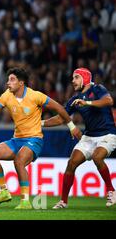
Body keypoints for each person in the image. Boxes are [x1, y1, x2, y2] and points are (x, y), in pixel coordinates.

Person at [0, 67, 82, 209]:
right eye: (8, 80)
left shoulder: (36, 96)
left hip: (34, 139)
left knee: (19, 161)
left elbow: (60, 108)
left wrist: (72, 126)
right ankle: (4, 192)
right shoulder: (7, 95)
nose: (8, 83)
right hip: (16, 139)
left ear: (21, 83)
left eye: (12, 80)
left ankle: (25, 201)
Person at [43, 68, 116, 208]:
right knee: (71, 163)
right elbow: (60, 118)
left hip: (108, 134)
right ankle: (63, 201)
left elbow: (108, 101)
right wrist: (39, 123)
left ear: (85, 79)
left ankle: (112, 191)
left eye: (76, 77)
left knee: (97, 157)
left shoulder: (98, 89)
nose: (73, 81)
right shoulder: (74, 99)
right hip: (89, 137)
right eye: (73, 78)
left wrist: (87, 103)